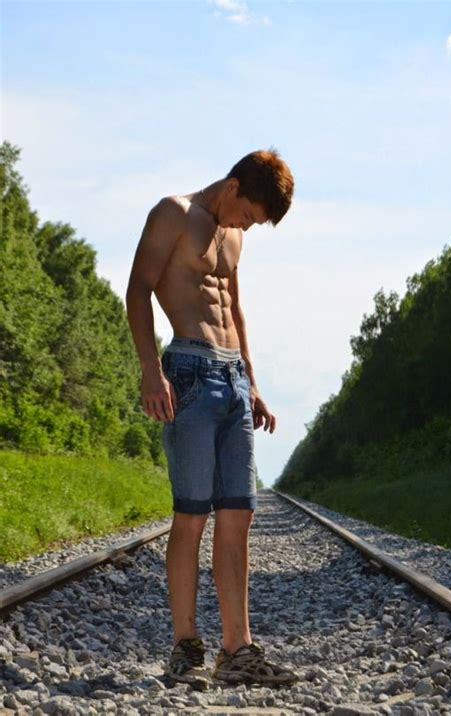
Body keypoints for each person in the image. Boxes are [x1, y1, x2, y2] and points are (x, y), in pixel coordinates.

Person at [126, 148, 298, 688]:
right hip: (190, 375)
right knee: (191, 516)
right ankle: (184, 647)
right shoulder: (172, 214)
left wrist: (254, 385)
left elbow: (234, 309)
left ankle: (237, 649)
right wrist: (152, 371)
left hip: (233, 382)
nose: (246, 225)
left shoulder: (235, 237)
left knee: (237, 518)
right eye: (248, 213)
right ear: (232, 187)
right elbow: (138, 289)